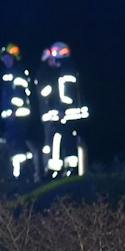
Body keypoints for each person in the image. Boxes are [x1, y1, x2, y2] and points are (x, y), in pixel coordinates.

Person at [37, 42, 88, 177]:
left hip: (67, 114)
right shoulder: (60, 70)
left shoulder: (67, 70)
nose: (52, 59)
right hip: (61, 113)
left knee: (67, 141)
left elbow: (68, 95)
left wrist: (62, 110)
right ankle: (57, 169)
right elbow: (44, 84)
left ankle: (71, 169)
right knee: (58, 140)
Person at [0, 43, 36, 179]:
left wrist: (14, 111)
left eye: (8, 58)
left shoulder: (18, 72)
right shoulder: (8, 73)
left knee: (18, 145)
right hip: (12, 115)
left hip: (18, 115)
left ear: (14, 58)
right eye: (4, 58)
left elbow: (19, 95)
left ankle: (21, 174)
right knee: (14, 144)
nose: (5, 60)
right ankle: (19, 173)